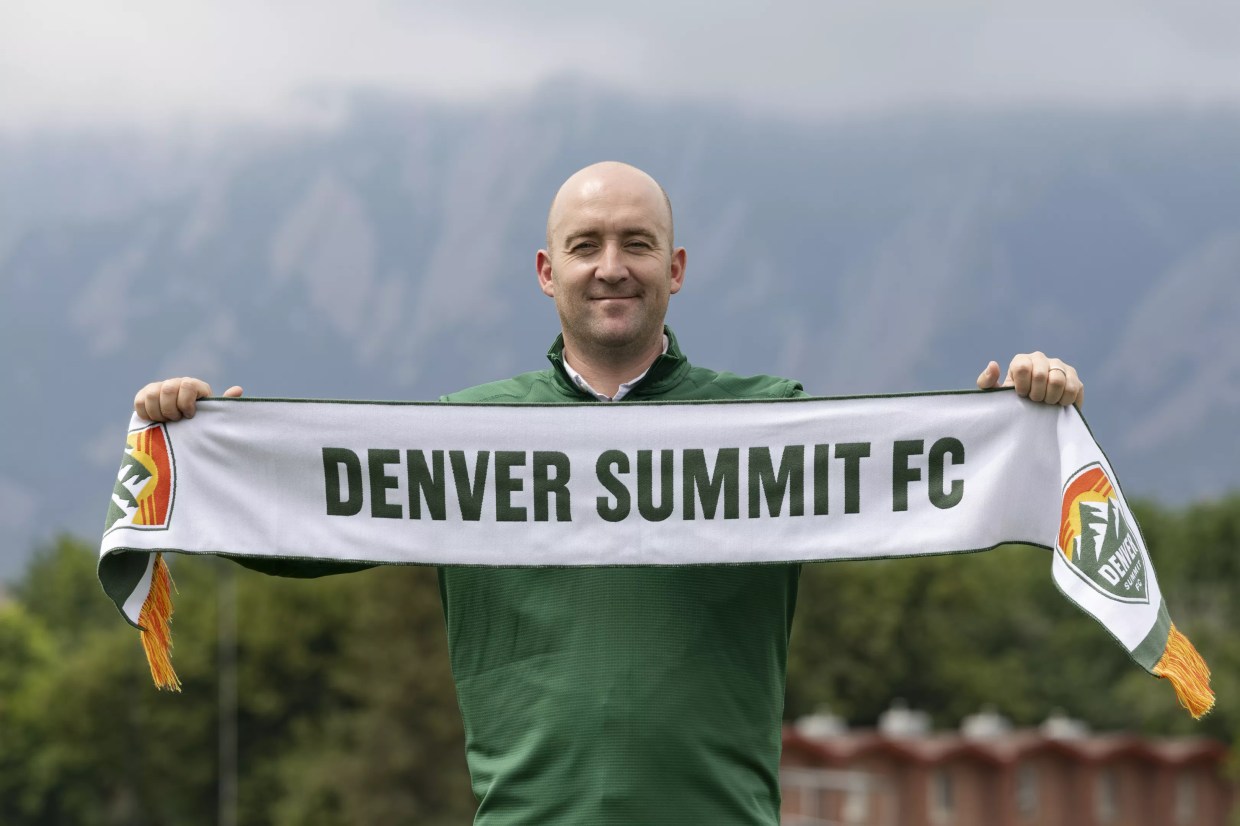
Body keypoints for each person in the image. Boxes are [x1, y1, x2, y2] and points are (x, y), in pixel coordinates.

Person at [133, 161, 1084, 825]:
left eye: (638, 243)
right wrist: (208, 451)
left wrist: (1012, 416)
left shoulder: (770, 422)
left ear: (677, 268)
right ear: (547, 273)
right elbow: (304, 527)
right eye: (585, 245)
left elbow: (926, 481)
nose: (612, 266)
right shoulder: (466, 430)